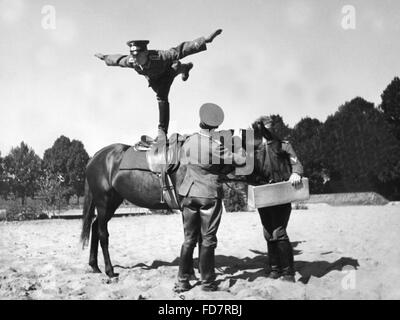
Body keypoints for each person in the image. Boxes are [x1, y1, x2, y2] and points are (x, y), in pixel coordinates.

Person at [94, 29, 223, 142]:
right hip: (155, 81)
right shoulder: (132, 61)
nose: (135, 59)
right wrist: (104, 57)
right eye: (133, 56)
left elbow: (181, 50)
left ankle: (162, 132)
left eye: (138, 55)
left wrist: (205, 40)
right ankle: (185, 68)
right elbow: (118, 60)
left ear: (146, 53)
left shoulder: (160, 56)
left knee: (163, 95)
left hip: (168, 71)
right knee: (169, 78)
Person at [174, 103, 246, 292]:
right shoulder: (215, 146)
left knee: (189, 238)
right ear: (215, 127)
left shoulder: (189, 141)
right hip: (208, 195)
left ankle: (182, 280)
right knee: (207, 239)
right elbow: (240, 160)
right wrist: (237, 141)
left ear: (200, 120)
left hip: (188, 193)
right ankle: (207, 282)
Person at [254, 116, 303, 282]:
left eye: (269, 128)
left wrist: (296, 173)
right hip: (263, 193)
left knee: (279, 232)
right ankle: (275, 269)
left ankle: (288, 272)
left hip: (281, 192)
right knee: (268, 232)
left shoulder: (284, 145)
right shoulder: (255, 149)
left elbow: (296, 163)